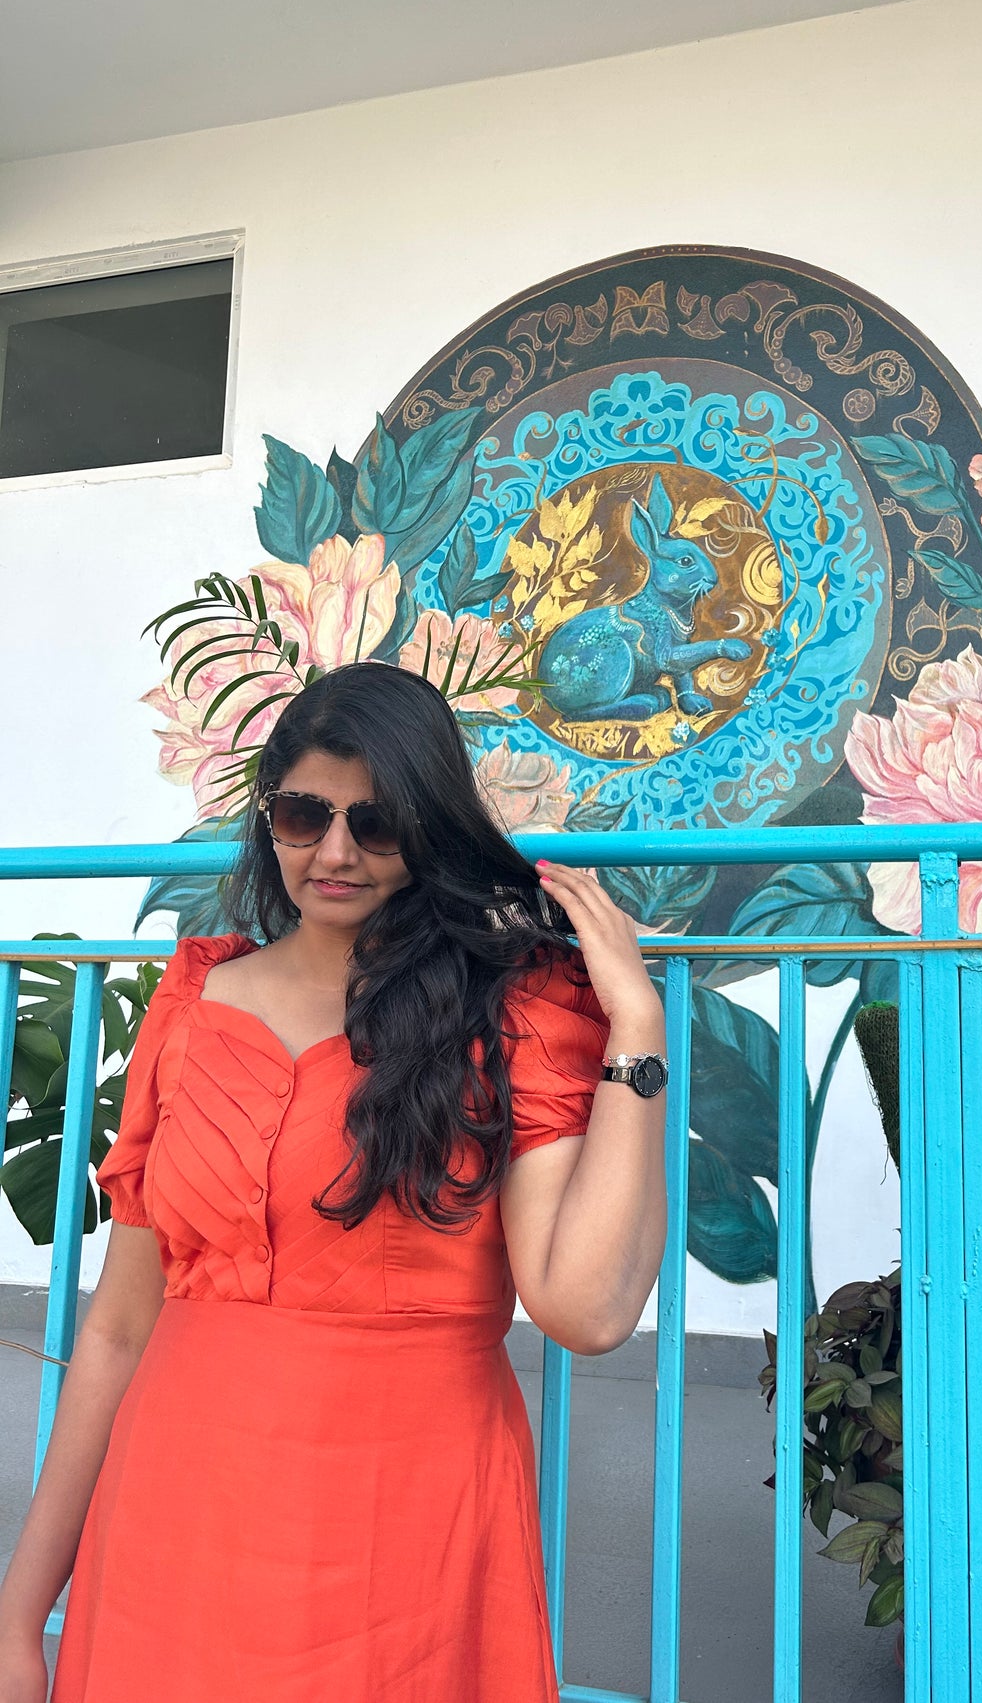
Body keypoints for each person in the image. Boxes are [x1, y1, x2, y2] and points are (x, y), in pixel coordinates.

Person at [0, 664, 669, 1702]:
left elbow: (581, 1306)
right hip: (173, 1521)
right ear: (269, 817)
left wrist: (634, 1034)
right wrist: (16, 1617)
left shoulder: (511, 1014)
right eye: (304, 813)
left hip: (402, 1537)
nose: (337, 850)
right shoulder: (191, 1007)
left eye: (379, 821)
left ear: (429, 828)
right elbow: (118, 1331)